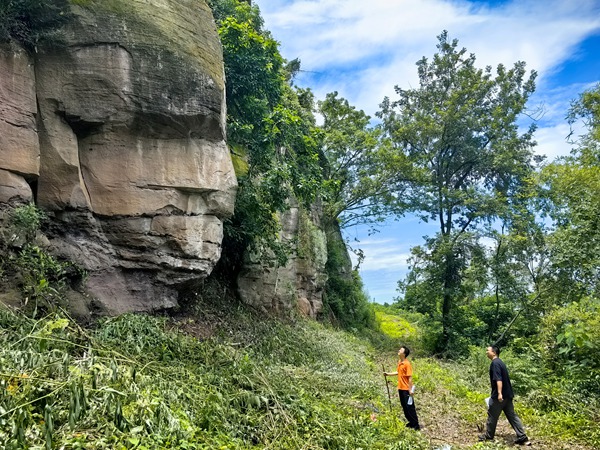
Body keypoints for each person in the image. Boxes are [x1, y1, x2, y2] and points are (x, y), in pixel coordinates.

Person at [479, 345, 531, 445]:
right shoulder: (501, 362)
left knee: (492, 415)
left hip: (500, 396)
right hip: (508, 394)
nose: (486, 352)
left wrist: (499, 393)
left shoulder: (495, 363)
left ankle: (489, 437)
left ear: (494, 352)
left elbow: (499, 379)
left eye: (487, 350)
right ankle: (522, 437)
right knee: (512, 415)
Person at [384, 345, 420, 430]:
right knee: (404, 407)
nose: (399, 350)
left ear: (404, 354)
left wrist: (410, 390)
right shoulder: (400, 362)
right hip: (400, 388)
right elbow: (398, 372)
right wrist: (388, 374)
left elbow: (410, 377)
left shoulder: (407, 364)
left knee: (410, 407)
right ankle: (411, 423)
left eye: (400, 350)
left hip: (406, 389)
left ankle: (416, 425)